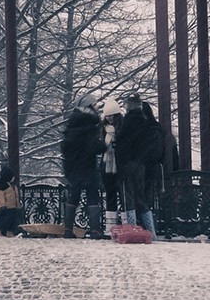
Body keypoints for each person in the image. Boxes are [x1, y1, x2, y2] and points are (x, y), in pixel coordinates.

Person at [115, 94, 166, 234]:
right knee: (140, 198)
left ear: (129, 107)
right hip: (141, 165)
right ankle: (151, 231)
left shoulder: (128, 121)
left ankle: (132, 229)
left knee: (128, 197)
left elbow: (122, 144)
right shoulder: (146, 123)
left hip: (128, 163)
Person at [61, 103, 106, 238]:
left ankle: (68, 229)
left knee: (73, 197)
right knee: (92, 197)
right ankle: (95, 230)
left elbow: (64, 148)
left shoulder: (71, 130)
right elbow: (97, 148)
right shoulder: (90, 130)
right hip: (88, 169)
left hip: (73, 169)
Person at [101, 110, 123, 220]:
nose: (109, 118)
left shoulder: (121, 128)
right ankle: (111, 223)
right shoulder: (103, 129)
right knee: (110, 194)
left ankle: (124, 223)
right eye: (107, 115)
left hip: (118, 164)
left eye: (111, 115)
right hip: (108, 166)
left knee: (122, 195)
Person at [0, 169, 25, 236]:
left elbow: (16, 196)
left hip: (12, 209)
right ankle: (0, 235)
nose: (13, 178)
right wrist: (2, 206)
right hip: (5, 210)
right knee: (2, 225)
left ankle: (9, 234)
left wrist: (18, 205)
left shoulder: (12, 186)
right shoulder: (1, 185)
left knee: (11, 225)